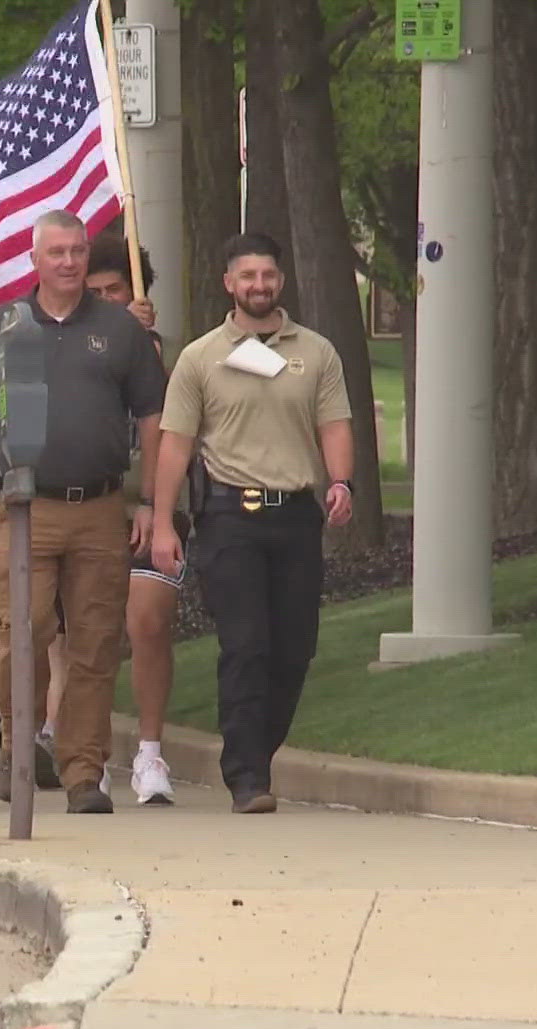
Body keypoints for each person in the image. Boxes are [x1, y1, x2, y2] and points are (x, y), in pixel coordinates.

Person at [0, 210, 167, 814]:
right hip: (24, 506)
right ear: (35, 260)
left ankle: (82, 773)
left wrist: (149, 501)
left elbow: (152, 420)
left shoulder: (120, 330)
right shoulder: (3, 324)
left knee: (95, 643)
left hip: (99, 506)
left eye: (77, 251)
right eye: (57, 252)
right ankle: (19, 744)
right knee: (26, 629)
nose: (68, 262)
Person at [150, 232, 354, 814]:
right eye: (248, 277)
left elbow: (335, 424)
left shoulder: (316, 352)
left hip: (295, 518)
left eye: (267, 275)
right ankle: (246, 777)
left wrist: (341, 482)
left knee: (293, 650)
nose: (258, 286)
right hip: (228, 517)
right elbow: (174, 447)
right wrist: (164, 524)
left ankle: (257, 752)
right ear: (229, 284)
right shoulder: (200, 357)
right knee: (245, 645)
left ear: (280, 281)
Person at [86, 232, 177, 806]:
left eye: (116, 289)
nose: (106, 299)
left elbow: (173, 422)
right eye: (94, 291)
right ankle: (86, 754)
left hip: (154, 502)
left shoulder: (163, 349)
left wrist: (145, 348)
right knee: (90, 636)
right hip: (90, 503)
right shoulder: (65, 346)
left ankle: (149, 753)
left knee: (146, 622)